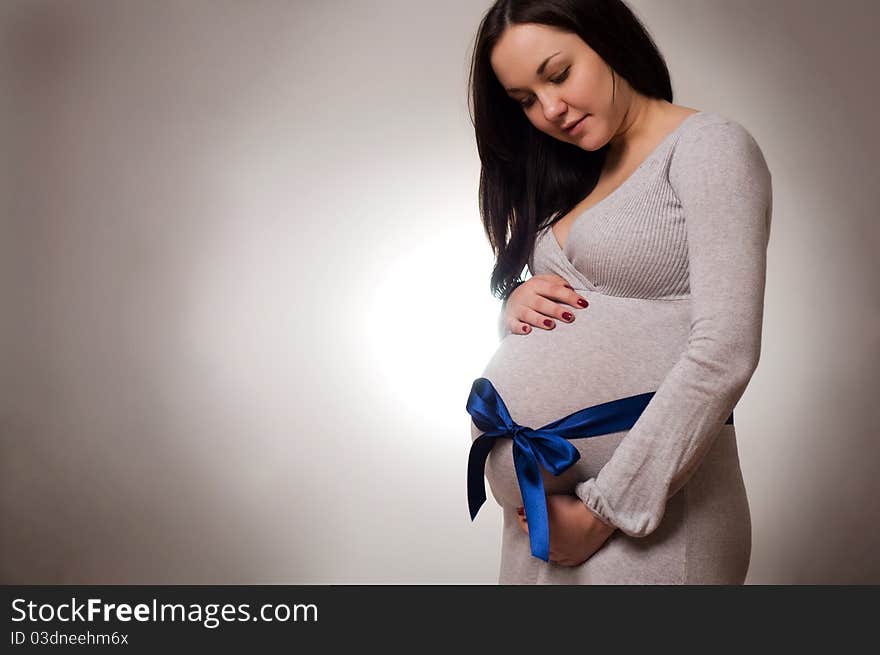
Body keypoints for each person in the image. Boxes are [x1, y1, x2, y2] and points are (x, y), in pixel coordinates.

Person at [466, 0, 772, 584]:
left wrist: (603, 512)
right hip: (539, 525)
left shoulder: (707, 147)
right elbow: (600, 314)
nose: (550, 108)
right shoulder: (578, 173)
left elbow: (725, 350)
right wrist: (516, 308)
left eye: (558, 74)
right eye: (525, 99)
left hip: (646, 519)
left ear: (606, 38)